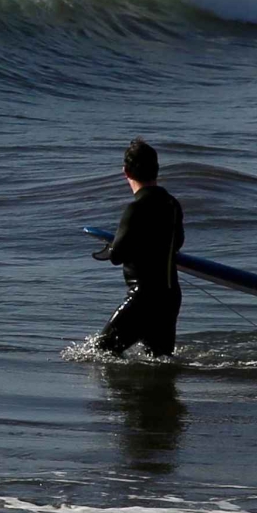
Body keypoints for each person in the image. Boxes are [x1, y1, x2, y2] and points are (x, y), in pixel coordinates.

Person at [92, 138, 185, 357]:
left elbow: (117, 255)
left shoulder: (135, 208)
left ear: (126, 171)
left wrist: (110, 248)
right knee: (159, 361)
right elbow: (177, 243)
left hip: (143, 298)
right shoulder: (172, 204)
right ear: (157, 170)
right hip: (170, 298)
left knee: (99, 354)